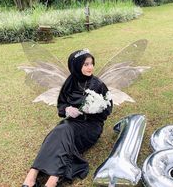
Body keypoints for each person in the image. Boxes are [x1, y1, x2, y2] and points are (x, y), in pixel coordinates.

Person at [22, 49, 113, 187]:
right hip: (71, 123)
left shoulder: (98, 84)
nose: (90, 67)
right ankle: (33, 175)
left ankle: (49, 179)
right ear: (76, 66)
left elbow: (108, 108)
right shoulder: (70, 82)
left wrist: (94, 110)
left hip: (91, 127)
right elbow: (62, 104)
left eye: (91, 63)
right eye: (86, 64)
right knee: (58, 132)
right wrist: (67, 110)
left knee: (62, 131)